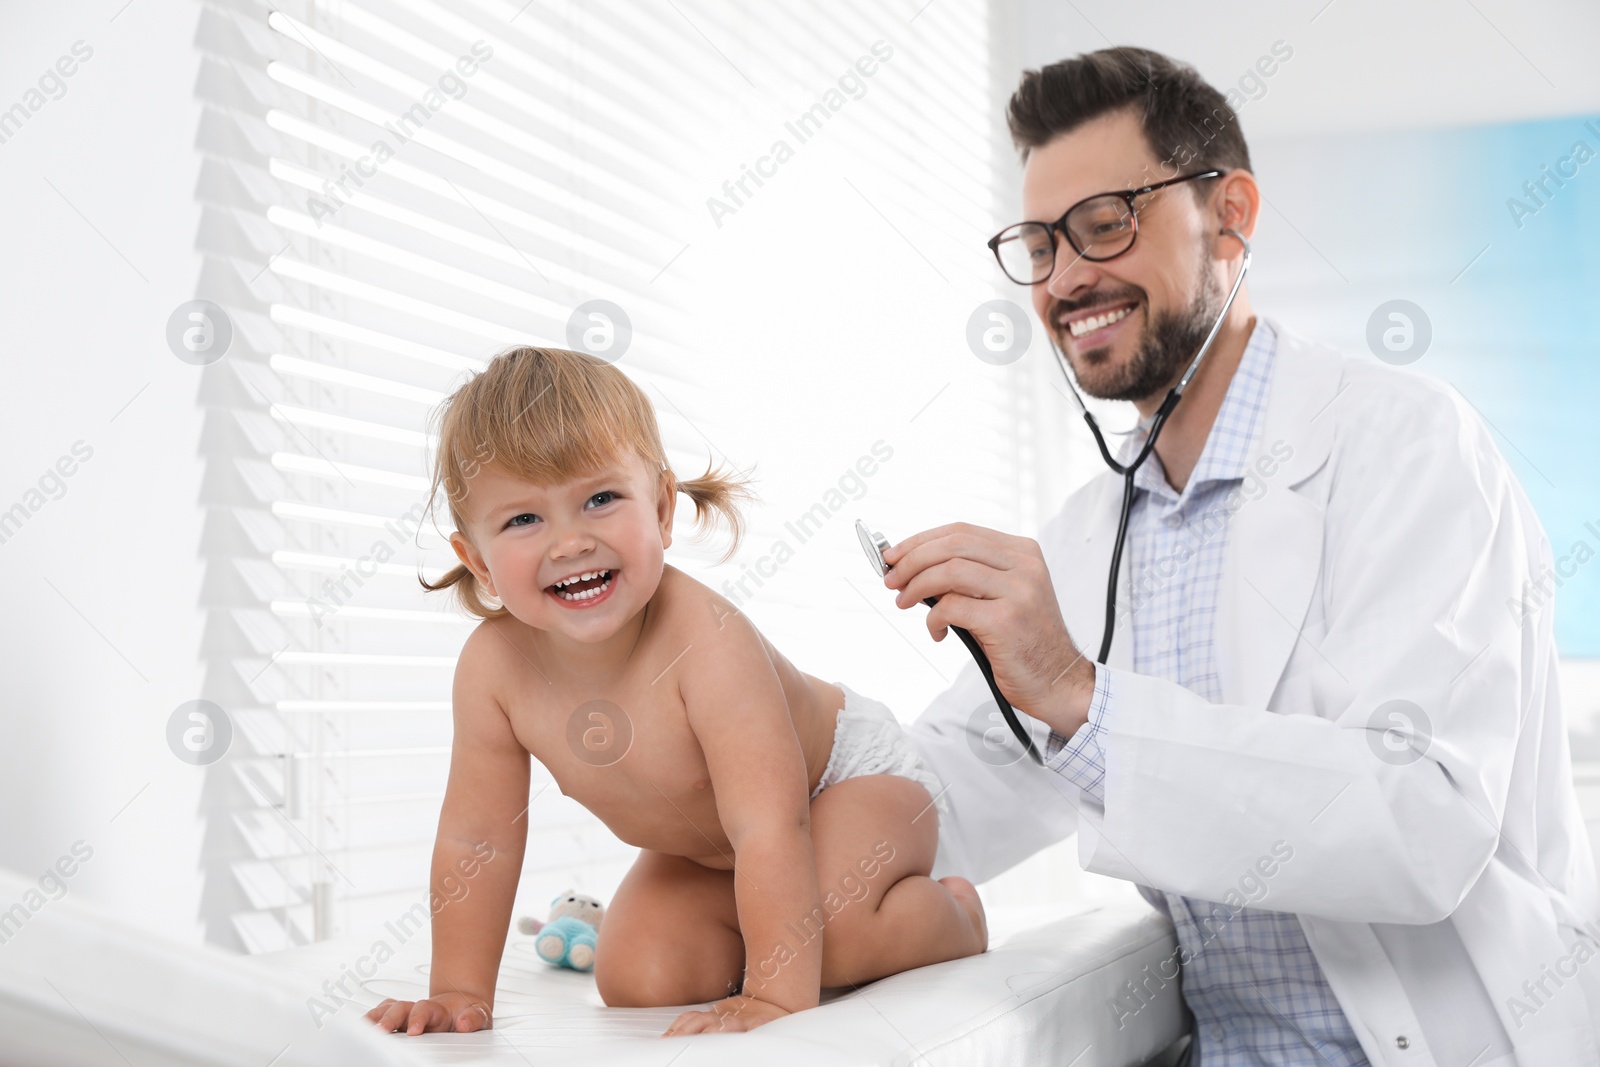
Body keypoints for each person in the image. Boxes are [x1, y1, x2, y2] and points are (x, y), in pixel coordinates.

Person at [899, 48, 1600, 1066]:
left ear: (1230, 213)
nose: (1067, 278)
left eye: (1104, 223)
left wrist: (1085, 701)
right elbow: (943, 793)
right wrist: (728, 756)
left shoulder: (1403, 444)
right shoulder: (1093, 533)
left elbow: (1425, 820)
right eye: (1039, 244)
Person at [363, 345, 985, 1040]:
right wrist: (457, 992)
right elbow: (477, 837)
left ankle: (954, 915)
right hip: (713, 847)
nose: (570, 542)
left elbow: (770, 824)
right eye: (523, 520)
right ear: (477, 559)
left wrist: (775, 999)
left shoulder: (707, 641)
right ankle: (755, 923)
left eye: (600, 499)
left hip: (843, 782)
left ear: (660, 508)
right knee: (640, 975)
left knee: (826, 936)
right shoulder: (494, 670)